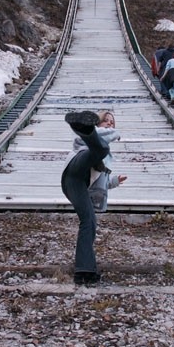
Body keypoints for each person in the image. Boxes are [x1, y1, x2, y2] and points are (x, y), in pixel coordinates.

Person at [61, 110, 127, 285]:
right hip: (76, 166)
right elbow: (83, 141)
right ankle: (82, 128)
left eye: (112, 122)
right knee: (101, 148)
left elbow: (99, 182)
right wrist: (114, 132)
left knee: (89, 221)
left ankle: (84, 270)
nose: (109, 124)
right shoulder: (90, 139)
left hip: (76, 184)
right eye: (106, 121)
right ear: (97, 123)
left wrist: (114, 181)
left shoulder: (104, 156)